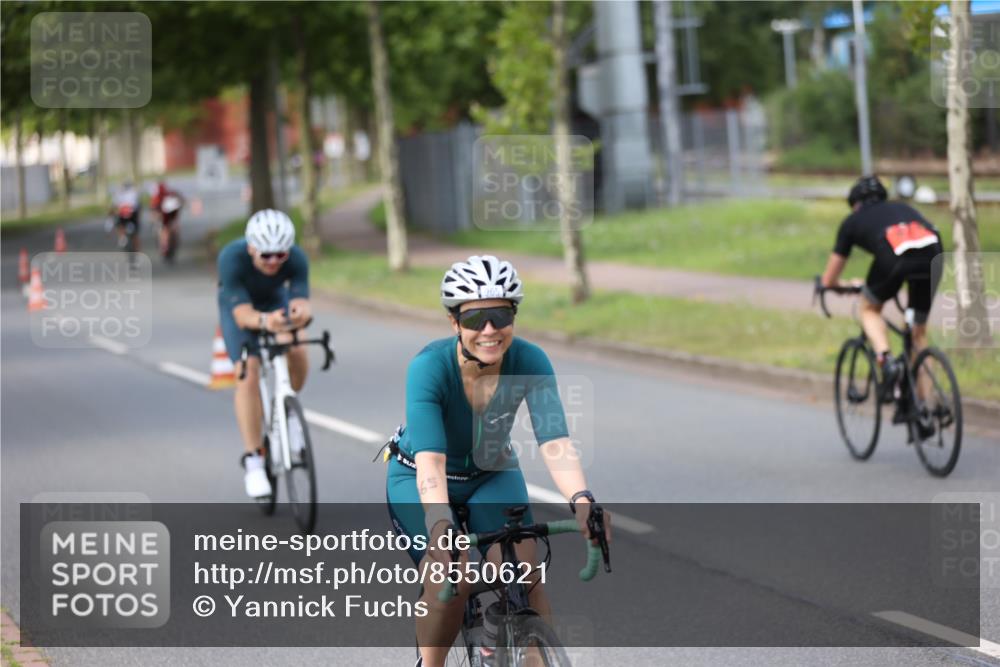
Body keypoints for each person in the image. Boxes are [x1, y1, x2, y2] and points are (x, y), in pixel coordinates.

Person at [384, 255, 611, 667]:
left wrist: (582, 499)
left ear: (514, 315)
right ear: (454, 323)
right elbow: (431, 466)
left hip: (491, 473)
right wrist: (439, 524)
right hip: (419, 475)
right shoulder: (429, 368)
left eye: (500, 315)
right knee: (451, 580)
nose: (489, 330)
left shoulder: (530, 361)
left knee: (526, 579)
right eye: (475, 319)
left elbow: (556, 444)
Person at [820, 175, 943, 426]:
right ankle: (926, 408)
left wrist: (843, 287)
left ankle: (887, 362)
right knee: (917, 333)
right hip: (933, 253)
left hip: (895, 256)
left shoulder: (852, 221)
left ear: (855, 204)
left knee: (869, 308)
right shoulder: (902, 207)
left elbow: (829, 279)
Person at [217, 209, 312, 498]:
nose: (273, 262)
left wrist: (296, 318)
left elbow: (303, 306)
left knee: (296, 343)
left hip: (274, 302)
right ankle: (254, 460)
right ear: (251, 248)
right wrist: (264, 322)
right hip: (240, 309)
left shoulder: (297, 258)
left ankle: (289, 411)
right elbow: (243, 315)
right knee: (248, 372)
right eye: (265, 256)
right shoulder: (231, 259)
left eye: (279, 256)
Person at [150, 179, 185, 260]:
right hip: (164, 217)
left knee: (169, 229)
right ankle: (165, 246)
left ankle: (168, 245)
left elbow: (179, 203)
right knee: (164, 230)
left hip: (169, 216)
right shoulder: (158, 197)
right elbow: (154, 210)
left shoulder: (167, 195)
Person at [108, 181, 142, 251]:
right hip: (132, 214)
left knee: (119, 225)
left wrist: (111, 215)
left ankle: (122, 238)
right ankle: (137, 248)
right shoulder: (134, 193)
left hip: (125, 214)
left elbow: (113, 206)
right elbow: (138, 206)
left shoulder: (118, 193)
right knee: (135, 233)